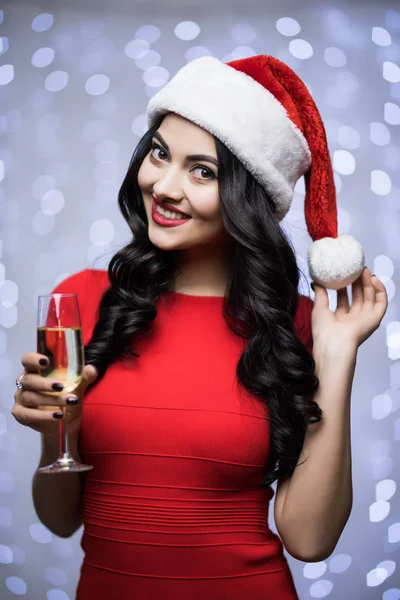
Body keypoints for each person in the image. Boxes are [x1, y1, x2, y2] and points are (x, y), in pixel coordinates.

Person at [12, 54, 388, 600]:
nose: (164, 186)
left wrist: (337, 353)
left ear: (247, 198)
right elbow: (60, 520)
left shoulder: (295, 327)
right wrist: (55, 434)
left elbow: (308, 540)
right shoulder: (87, 299)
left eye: (202, 171)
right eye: (159, 154)